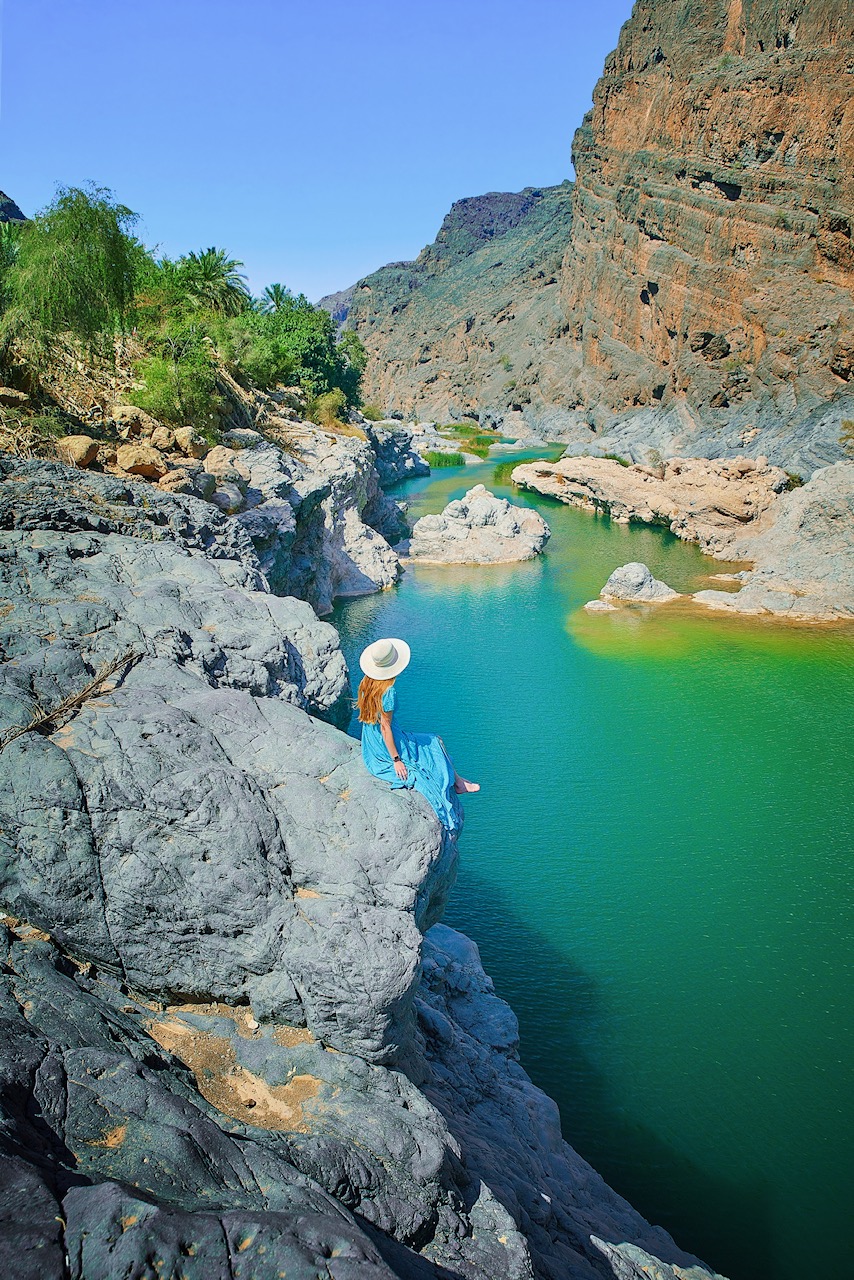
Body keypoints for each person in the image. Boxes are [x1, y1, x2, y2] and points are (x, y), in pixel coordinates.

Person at [357, 637, 479, 833]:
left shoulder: (366, 682)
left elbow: (376, 722)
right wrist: (396, 759)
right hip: (387, 741)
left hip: (371, 739)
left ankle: (459, 781)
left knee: (434, 741)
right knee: (435, 742)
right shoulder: (388, 691)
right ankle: (459, 782)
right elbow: (385, 727)